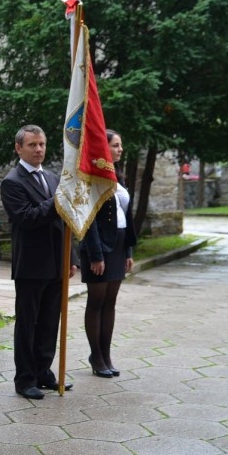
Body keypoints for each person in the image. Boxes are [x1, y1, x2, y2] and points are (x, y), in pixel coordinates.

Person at [0, 124, 77, 400]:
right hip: (31, 265)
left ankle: (44, 371)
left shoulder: (54, 178)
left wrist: (72, 258)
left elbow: (67, 221)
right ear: (19, 148)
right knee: (28, 324)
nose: (39, 149)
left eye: (42, 144)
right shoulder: (12, 181)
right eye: (32, 145)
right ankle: (25, 378)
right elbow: (27, 218)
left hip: (57, 262)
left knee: (49, 322)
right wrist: (57, 201)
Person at [80, 129, 137, 377]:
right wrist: (96, 255)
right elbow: (89, 219)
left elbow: (126, 217)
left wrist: (128, 250)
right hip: (99, 247)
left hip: (119, 245)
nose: (120, 149)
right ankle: (96, 356)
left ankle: (105, 354)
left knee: (110, 303)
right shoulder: (93, 177)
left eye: (120, 145)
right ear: (104, 148)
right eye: (115, 145)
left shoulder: (117, 175)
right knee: (97, 302)